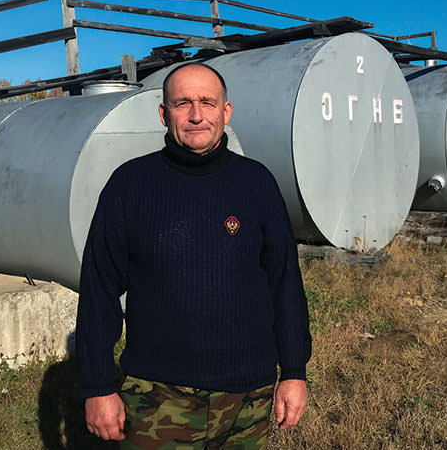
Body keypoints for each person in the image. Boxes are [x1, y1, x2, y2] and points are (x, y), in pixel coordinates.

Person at [76, 62, 312, 449]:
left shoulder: (257, 184)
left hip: (247, 395)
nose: (197, 115)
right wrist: (98, 385)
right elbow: (99, 289)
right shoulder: (130, 185)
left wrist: (294, 372)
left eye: (207, 102)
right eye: (182, 103)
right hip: (157, 396)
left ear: (226, 111)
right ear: (163, 114)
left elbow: (284, 283)